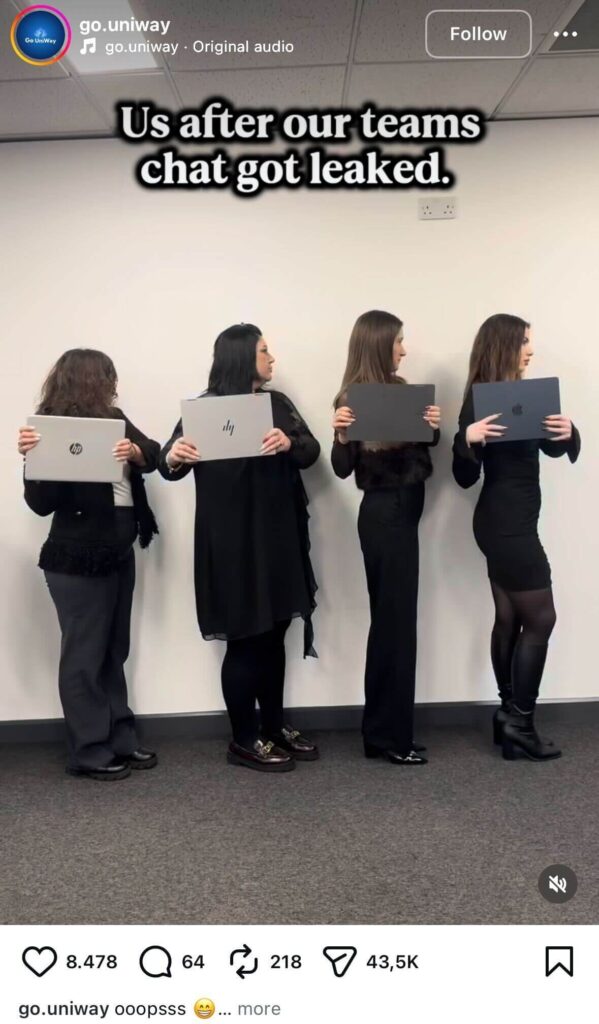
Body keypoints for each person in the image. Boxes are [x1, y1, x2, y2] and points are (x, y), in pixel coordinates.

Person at [159, 324, 320, 773]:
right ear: (240, 357)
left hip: (277, 539)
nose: (273, 359)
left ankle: (272, 726)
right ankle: (244, 739)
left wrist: (289, 443)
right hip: (230, 546)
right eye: (265, 351)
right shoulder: (205, 409)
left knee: (275, 635)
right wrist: (174, 455)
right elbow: (168, 462)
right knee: (245, 641)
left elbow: (311, 450)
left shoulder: (277, 404)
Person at [18, 349, 160, 781]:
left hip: (118, 549)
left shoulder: (113, 418)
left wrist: (135, 451)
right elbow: (41, 505)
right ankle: (88, 748)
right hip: (76, 557)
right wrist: (32, 463)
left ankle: (118, 736)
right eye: (107, 377)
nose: (113, 386)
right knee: (84, 655)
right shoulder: (50, 430)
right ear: (88, 380)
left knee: (114, 650)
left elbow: (152, 453)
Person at [452, 314, 580, 761]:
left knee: (509, 617)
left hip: (513, 520)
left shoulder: (528, 396)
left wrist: (568, 434)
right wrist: (467, 440)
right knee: (541, 619)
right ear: (504, 345)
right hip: (505, 524)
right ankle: (520, 722)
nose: (530, 349)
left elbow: (551, 444)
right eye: (525, 342)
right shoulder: (480, 399)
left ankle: (508, 715)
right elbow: (463, 475)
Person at [331, 310, 441, 765]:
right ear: (378, 344)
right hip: (384, 515)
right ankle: (389, 738)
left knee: (395, 625)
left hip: (401, 515)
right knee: (395, 627)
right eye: (398, 341)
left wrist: (432, 425)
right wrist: (340, 435)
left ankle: (385, 733)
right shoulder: (351, 399)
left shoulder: (403, 393)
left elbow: (425, 446)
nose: (404, 348)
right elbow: (341, 468)